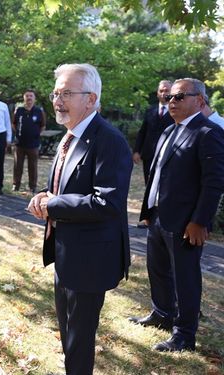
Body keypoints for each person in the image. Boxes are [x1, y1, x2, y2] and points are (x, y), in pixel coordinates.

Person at [27, 64, 132, 374]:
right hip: (66, 252)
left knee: (80, 337)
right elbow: (63, 186)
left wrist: (53, 203)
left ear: (91, 99)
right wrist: (44, 196)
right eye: (56, 93)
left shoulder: (109, 140)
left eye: (67, 93)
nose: (58, 100)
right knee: (70, 333)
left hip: (90, 257)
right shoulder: (69, 136)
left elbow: (108, 201)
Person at [130, 78, 224, 352]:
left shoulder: (208, 133)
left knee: (185, 277)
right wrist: (149, 209)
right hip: (159, 215)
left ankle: (184, 334)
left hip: (186, 222)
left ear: (200, 101)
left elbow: (214, 182)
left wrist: (199, 222)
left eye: (180, 97)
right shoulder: (168, 131)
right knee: (158, 270)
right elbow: (157, 174)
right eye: (170, 97)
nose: (172, 101)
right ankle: (162, 314)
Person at [133, 80, 173, 183]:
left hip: (167, 156)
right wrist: (136, 151)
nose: (164, 93)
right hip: (148, 156)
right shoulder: (150, 110)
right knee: (149, 183)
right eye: (161, 91)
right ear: (157, 93)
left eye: (167, 90)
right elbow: (142, 132)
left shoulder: (176, 112)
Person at [12, 89, 46, 194]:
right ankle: (16, 185)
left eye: (31, 96)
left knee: (33, 167)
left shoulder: (39, 111)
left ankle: (32, 187)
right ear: (24, 98)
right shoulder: (19, 110)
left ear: (34, 98)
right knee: (18, 166)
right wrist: (19, 133)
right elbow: (14, 124)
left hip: (33, 144)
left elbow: (43, 126)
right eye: (27, 96)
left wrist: (35, 134)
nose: (29, 98)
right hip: (20, 144)